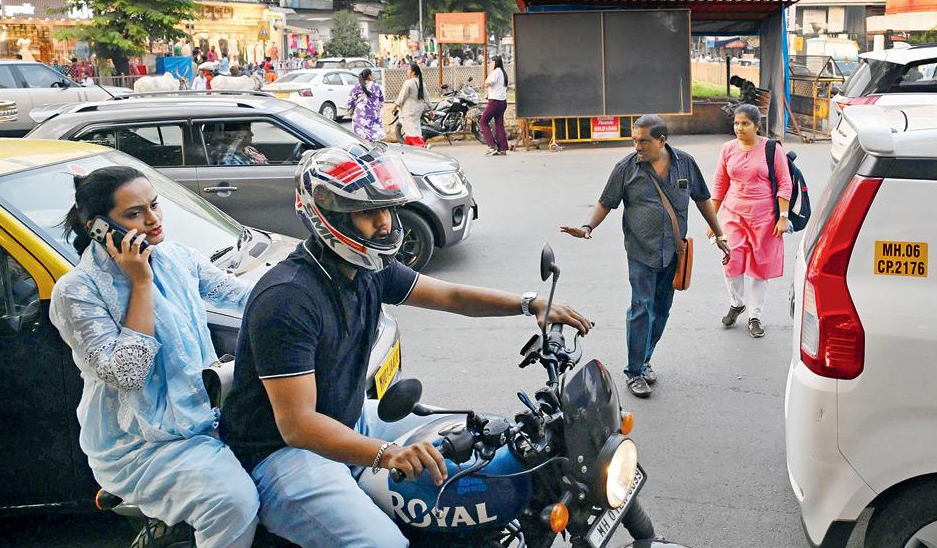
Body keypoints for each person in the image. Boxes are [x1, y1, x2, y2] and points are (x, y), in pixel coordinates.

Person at [219, 145, 592, 548]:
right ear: (331, 218)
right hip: (281, 454)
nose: (384, 223)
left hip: (349, 417)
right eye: (368, 213)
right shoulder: (287, 299)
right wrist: (386, 453)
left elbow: (449, 296)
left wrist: (528, 304)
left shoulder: (366, 268)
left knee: (485, 448)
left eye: (387, 209)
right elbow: (298, 424)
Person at [50, 167, 260, 548]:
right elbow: (128, 374)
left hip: (203, 417)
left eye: (155, 205)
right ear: (99, 227)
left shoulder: (176, 257)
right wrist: (141, 281)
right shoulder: (77, 291)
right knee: (234, 504)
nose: (153, 219)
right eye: (135, 213)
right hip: (138, 444)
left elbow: (242, 296)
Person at [560, 115, 730, 398]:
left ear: (662, 140)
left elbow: (702, 200)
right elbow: (605, 202)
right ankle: (634, 371)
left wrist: (720, 235)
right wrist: (587, 227)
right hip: (640, 252)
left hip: (673, 252)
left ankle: (645, 358)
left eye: (644, 141)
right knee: (641, 309)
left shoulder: (685, 164)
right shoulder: (626, 168)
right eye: (635, 140)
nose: (637, 146)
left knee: (661, 310)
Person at [710, 105, 791, 339]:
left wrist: (783, 217)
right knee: (731, 260)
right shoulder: (727, 149)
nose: (739, 128)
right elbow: (719, 184)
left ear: (757, 125)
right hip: (733, 215)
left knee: (760, 268)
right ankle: (736, 303)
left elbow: (785, 183)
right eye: (736, 123)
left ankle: (755, 316)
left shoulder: (772, 149)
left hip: (765, 218)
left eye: (745, 123)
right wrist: (712, 220)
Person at [393, 61, 428, 148]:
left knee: (411, 130)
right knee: (415, 128)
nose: (407, 71)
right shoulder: (422, 83)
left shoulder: (408, 83)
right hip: (418, 109)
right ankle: (410, 148)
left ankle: (421, 146)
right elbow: (427, 97)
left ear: (413, 72)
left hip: (409, 109)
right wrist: (431, 107)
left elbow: (402, 97)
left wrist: (395, 106)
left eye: (408, 70)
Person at [480, 56, 510, 156]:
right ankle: (502, 148)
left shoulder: (496, 71)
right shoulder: (502, 72)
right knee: (499, 124)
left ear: (495, 63)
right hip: (502, 101)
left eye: (491, 62)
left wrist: (486, 81)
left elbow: (488, 83)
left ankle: (491, 146)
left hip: (495, 102)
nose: (490, 64)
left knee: (483, 121)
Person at [347, 68, 385, 142]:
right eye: (372, 74)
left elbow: (350, 101)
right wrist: (377, 109)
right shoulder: (376, 86)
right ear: (369, 76)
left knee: (360, 138)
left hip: (359, 114)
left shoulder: (357, 86)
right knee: (372, 137)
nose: (374, 76)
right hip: (371, 114)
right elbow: (381, 101)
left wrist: (349, 109)